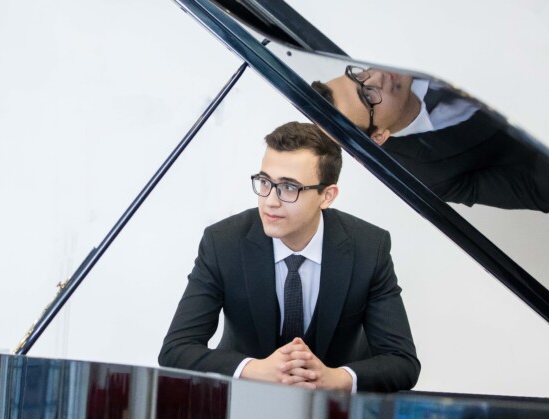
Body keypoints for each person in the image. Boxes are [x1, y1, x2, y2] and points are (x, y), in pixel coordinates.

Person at [158, 121, 420, 392]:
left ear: (327, 196)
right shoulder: (223, 242)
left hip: (337, 414)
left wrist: (335, 378)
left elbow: (402, 362)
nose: (270, 200)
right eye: (264, 182)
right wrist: (254, 369)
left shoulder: (369, 247)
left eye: (289, 188)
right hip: (244, 404)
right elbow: (176, 349)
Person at [313, 67, 549, 212]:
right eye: (368, 95)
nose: (377, 77)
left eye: (358, 74)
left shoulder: (398, 40)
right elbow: (538, 191)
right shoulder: (428, 176)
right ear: (379, 135)